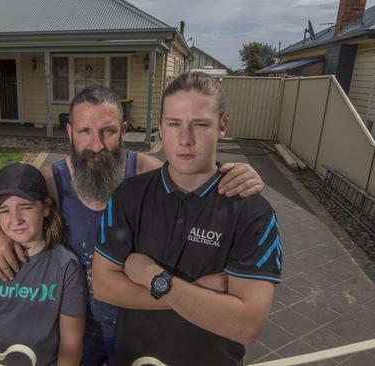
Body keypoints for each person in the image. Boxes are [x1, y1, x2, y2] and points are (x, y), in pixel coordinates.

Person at [0, 85, 266, 365]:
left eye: (108, 131)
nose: (96, 145)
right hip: (73, 331)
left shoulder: (147, 172)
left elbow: (194, 178)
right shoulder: (51, 183)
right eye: (85, 132)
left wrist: (233, 174)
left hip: (142, 329)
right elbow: (15, 211)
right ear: (70, 133)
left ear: (123, 130)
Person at [91, 71, 282, 365]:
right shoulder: (129, 195)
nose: (185, 139)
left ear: (223, 126)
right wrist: (196, 297)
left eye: (201, 124)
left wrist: (153, 278)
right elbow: (104, 286)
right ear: (160, 128)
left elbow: (245, 326)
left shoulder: (253, 213)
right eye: (174, 124)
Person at [0, 163, 87, 366]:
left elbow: (71, 340)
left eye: (25, 207)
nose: (15, 219)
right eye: (4, 210)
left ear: (46, 207)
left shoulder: (66, 266)